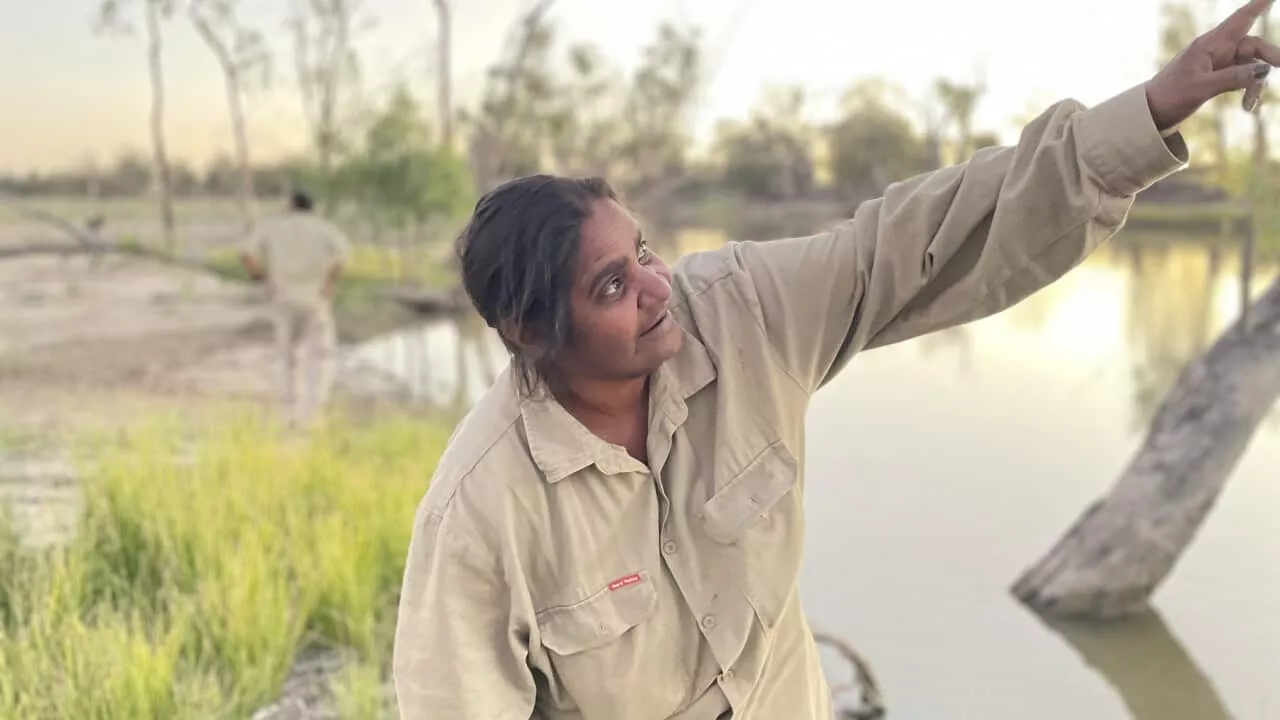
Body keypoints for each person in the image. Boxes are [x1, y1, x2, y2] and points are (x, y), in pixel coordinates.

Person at [392, 2, 1279, 718]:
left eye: (647, 253)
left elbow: (914, 241)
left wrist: (1153, 109)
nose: (660, 291)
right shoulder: (480, 512)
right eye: (614, 288)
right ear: (529, 331)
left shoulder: (738, 312)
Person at [239, 190, 350, 428]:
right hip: (315, 300)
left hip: (282, 297)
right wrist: (329, 283)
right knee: (317, 356)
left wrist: (262, 279)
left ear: (291, 205)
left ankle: (288, 411)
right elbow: (343, 256)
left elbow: (247, 253)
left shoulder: (275, 226)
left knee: (285, 356)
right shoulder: (324, 228)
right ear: (312, 206)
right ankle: (312, 413)